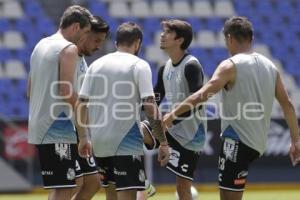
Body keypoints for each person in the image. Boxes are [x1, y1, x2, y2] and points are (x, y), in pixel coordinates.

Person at [162, 16, 300, 200]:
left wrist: (171, 115)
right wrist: (296, 141)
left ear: (229, 38)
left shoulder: (230, 65)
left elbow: (202, 95)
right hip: (258, 143)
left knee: (228, 197)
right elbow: (288, 105)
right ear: (251, 38)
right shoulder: (271, 67)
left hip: (235, 140)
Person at [75, 22, 170, 200]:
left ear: (116, 42)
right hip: (126, 143)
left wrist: (83, 138)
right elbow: (150, 105)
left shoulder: (95, 65)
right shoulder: (139, 65)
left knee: (111, 196)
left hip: (100, 142)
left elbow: (80, 104)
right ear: (138, 43)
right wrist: (163, 142)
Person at [27, 5, 93, 200]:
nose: (84, 38)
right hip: (57, 126)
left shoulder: (40, 45)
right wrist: (83, 133)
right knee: (64, 188)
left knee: (68, 183)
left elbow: (29, 89)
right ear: (75, 27)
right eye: (85, 31)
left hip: (40, 124)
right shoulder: (69, 48)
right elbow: (66, 91)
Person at [150, 19, 207, 200]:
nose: (162, 35)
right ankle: (141, 185)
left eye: (167, 32)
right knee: (136, 133)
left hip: (192, 136)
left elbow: (196, 103)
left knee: (182, 188)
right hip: (172, 129)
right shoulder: (163, 69)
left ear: (179, 40)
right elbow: (155, 100)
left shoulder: (191, 66)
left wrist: (168, 121)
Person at [72, 16, 110, 200]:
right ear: (84, 34)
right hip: (66, 129)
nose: (99, 46)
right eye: (96, 40)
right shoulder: (68, 57)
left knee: (93, 181)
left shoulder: (84, 63)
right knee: (73, 184)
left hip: (78, 129)